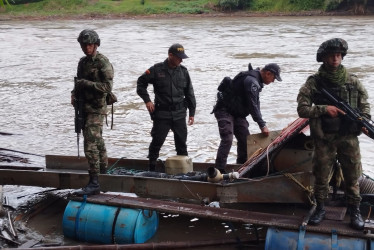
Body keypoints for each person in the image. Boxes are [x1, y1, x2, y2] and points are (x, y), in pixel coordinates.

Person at [297, 38, 370, 230]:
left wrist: (363, 121)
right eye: (331, 56)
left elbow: (365, 106)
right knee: (321, 176)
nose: (335, 59)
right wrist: (323, 109)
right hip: (324, 138)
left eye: (338, 55)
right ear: (324, 58)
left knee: (352, 176)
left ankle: (354, 210)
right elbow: (302, 109)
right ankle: (320, 207)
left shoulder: (353, 81)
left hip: (348, 137)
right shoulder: (314, 82)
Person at [213, 63, 282, 174]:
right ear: (268, 73)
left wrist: (262, 122)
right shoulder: (252, 82)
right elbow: (252, 105)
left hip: (237, 113)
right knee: (227, 139)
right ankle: (218, 171)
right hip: (224, 110)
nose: (273, 81)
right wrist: (262, 125)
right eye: (274, 78)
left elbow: (256, 105)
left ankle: (241, 167)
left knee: (245, 140)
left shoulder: (256, 81)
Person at [137, 43, 196, 171]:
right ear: (170, 55)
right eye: (179, 57)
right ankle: (151, 168)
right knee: (157, 142)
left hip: (180, 113)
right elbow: (141, 83)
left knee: (181, 144)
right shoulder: (156, 70)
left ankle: (183, 170)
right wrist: (147, 101)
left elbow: (190, 93)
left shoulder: (184, 72)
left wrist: (192, 113)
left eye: (182, 58)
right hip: (162, 114)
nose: (181, 60)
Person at [71, 29, 114, 195]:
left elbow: (107, 87)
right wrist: (74, 94)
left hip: (97, 107)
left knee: (89, 143)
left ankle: (94, 181)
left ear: (96, 44)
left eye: (90, 45)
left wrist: (86, 84)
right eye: (84, 45)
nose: (87, 48)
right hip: (84, 107)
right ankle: (103, 170)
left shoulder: (103, 63)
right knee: (97, 140)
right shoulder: (82, 62)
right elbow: (77, 82)